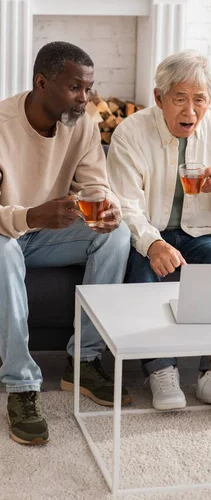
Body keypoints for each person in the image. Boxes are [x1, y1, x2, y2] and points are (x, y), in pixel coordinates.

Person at [0, 42, 132, 446]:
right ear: (42, 82)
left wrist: (105, 208)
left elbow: (94, 183)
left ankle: (85, 361)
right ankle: (21, 385)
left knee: (116, 235)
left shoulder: (84, 124)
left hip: (47, 235)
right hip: (7, 232)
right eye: (76, 87)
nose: (85, 98)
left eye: (89, 88)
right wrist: (29, 217)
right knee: (4, 250)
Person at [107, 50, 211, 411]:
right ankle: (161, 370)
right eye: (180, 99)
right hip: (149, 230)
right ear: (159, 98)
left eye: (199, 100)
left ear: (209, 101)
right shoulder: (130, 132)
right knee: (140, 266)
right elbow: (125, 204)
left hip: (199, 234)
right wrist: (152, 243)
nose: (190, 111)